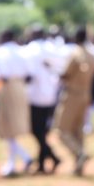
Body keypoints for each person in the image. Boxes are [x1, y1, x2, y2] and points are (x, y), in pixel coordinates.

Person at [55, 27, 94, 176]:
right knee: (78, 131)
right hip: (86, 95)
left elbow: (66, 74)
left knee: (62, 130)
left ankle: (80, 154)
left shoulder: (75, 54)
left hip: (72, 95)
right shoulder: (92, 55)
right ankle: (79, 166)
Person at [0, 29, 33, 176]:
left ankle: (15, 161)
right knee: (12, 127)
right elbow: (29, 74)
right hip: (20, 87)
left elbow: (0, 74)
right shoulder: (22, 51)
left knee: (8, 126)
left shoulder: (2, 52)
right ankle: (22, 157)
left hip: (7, 87)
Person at [25, 25, 63, 173]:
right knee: (42, 131)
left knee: (36, 130)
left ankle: (53, 157)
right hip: (51, 95)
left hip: (34, 96)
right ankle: (42, 163)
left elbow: (28, 73)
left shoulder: (30, 49)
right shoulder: (52, 48)